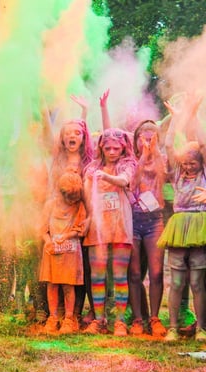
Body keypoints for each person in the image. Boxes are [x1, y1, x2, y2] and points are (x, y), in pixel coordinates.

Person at [158, 95, 206, 342]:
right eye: (185, 163)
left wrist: (194, 116)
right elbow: (168, 146)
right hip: (179, 226)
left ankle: (201, 329)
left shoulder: (204, 173)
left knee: (197, 281)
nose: (188, 167)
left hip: (200, 225)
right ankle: (173, 327)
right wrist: (176, 120)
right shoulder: (176, 174)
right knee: (176, 281)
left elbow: (203, 143)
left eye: (193, 164)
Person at [81, 128, 137, 335]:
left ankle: (120, 321)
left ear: (123, 148)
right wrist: (87, 217)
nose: (112, 152)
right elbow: (87, 195)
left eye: (116, 148)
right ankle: (98, 319)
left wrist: (105, 176)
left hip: (120, 224)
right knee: (97, 275)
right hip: (98, 226)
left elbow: (124, 180)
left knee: (120, 274)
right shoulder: (91, 168)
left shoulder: (127, 164)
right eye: (108, 148)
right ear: (101, 148)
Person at [127, 120, 167, 337]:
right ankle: (137, 320)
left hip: (154, 221)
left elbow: (163, 174)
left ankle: (155, 318)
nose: (148, 142)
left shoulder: (163, 159)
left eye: (152, 138)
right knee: (134, 273)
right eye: (143, 138)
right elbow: (132, 183)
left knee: (157, 272)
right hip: (132, 221)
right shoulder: (130, 161)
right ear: (136, 140)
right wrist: (142, 156)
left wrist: (155, 151)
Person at [39, 172, 88, 334]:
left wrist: (66, 236)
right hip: (52, 251)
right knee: (52, 284)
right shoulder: (50, 205)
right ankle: (53, 317)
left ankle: (68, 318)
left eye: (75, 198)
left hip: (70, 252)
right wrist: (48, 241)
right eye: (69, 198)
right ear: (60, 192)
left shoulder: (79, 206)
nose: (72, 201)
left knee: (68, 286)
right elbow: (42, 230)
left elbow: (80, 230)